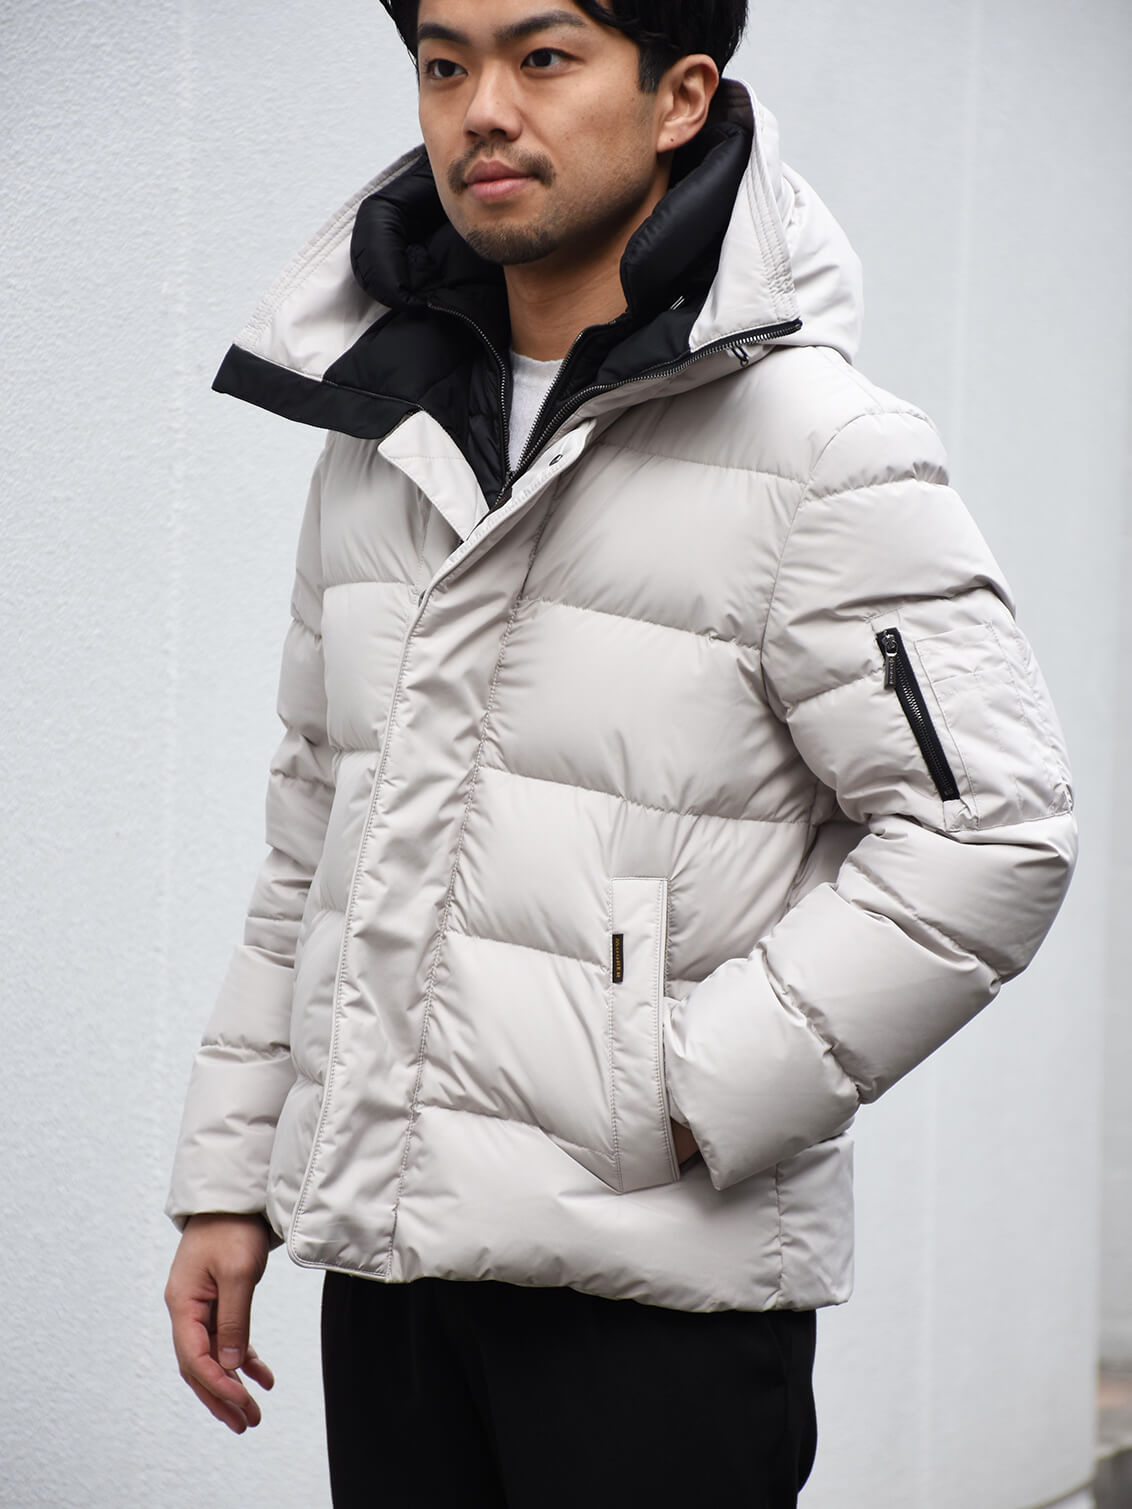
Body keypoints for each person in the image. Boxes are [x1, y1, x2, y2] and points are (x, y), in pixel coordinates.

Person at [163, 2, 1077, 1504]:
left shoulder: (819, 447)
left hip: (654, 1304)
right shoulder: (381, 432)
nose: (480, 108)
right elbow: (315, 826)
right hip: (391, 1275)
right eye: (444, 63)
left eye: (542, 57)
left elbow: (991, 832)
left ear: (680, 96)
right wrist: (230, 1175)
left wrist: (683, 1088)